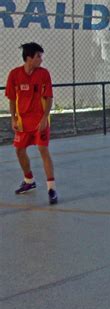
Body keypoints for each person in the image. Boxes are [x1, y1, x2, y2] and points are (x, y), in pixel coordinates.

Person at [5, 42, 58, 205]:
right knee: (19, 151)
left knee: (43, 149)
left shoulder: (44, 74)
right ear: (29, 58)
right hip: (23, 122)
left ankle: (51, 188)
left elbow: (49, 98)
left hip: (40, 121)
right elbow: (12, 99)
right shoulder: (14, 74)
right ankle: (29, 181)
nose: (41, 60)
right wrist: (13, 118)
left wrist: (44, 118)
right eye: (38, 56)